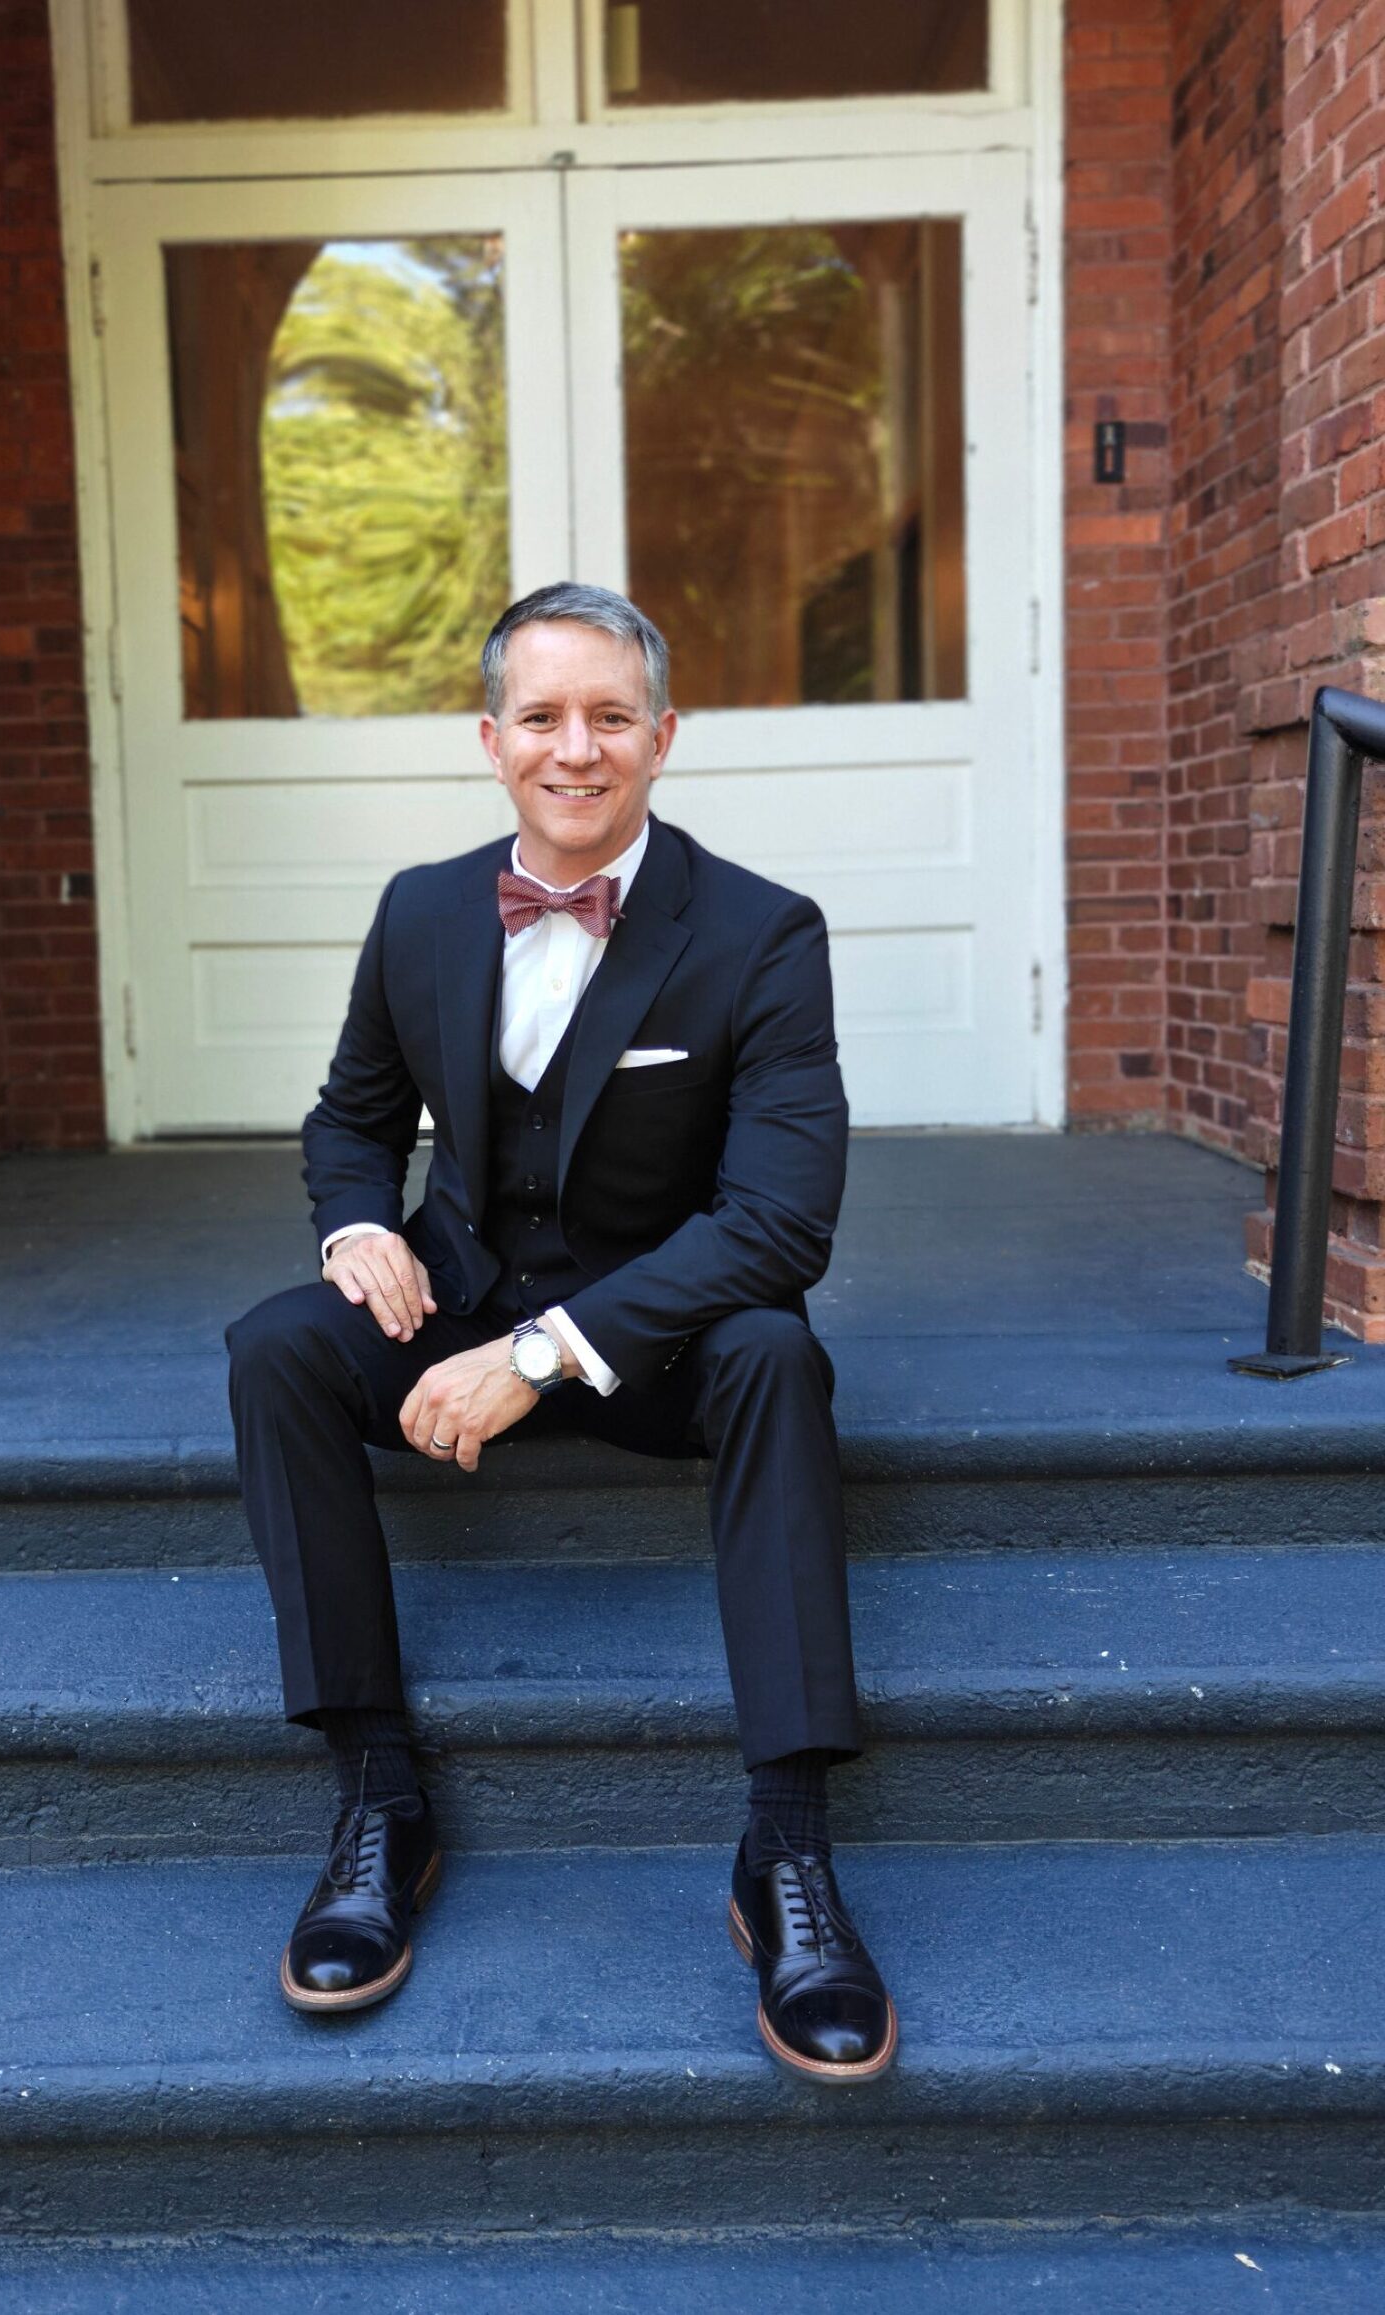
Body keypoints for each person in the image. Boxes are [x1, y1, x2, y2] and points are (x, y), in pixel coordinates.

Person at [224, 582, 895, 2083]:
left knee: (779, 1356)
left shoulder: (762, 932)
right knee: (276, 1348)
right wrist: (359, 1227)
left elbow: (781, 1226)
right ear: (491, 740)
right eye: (541, 717)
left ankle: (786, 1852)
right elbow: (351, 1120)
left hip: (667, 1339)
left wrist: (539, 1358)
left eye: (609, 717)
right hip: (459, 1293)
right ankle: (380, 1797)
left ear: (663, 737)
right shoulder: (420, 910)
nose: (574, 749)